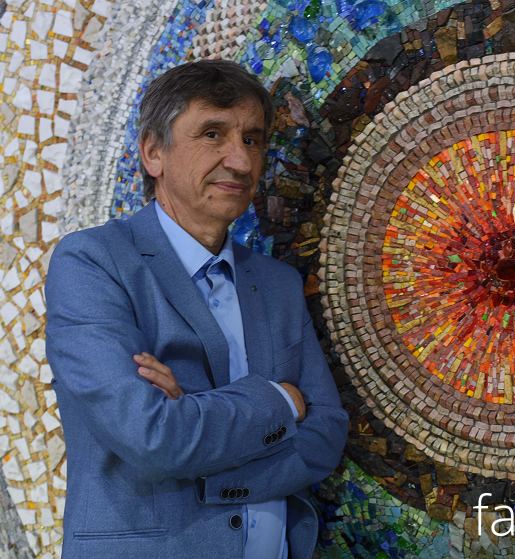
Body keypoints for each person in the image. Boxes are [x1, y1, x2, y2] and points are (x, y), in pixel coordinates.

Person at [44, 59, 348, 559]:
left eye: (252, 139)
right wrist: (281, 401)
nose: (241, 161)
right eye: (212, 134)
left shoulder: (277, 283)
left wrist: (193, 420)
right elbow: (153, 437)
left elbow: (326, 435)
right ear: (153, 152)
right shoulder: (93, 262)